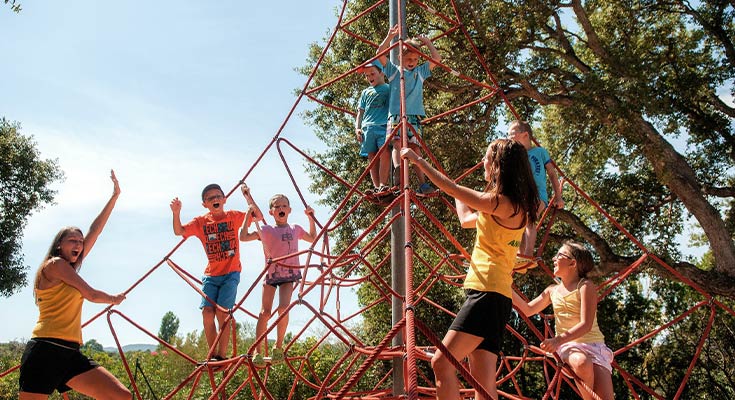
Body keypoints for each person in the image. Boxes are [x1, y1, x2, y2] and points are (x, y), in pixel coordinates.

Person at [401, 139, 540, 400]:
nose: (482, 163)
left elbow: (451, 187)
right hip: (498, 297)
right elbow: (466, 218)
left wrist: (419, 162)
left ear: (498, 165)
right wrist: (455, 190)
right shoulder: (513, 207)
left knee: (441, 362)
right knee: (483, 381)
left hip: (487, 294)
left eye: (487, 158)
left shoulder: (500, 203)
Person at [19, 170, 131, 400]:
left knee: (121, 396)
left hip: (71, 353)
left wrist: (115, 196)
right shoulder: (55, 265)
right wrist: (113, 298)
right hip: (45, 350)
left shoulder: (69, 267)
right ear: (59, 244)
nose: (79, 245)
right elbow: (89, 294)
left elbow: (95, 231)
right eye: (72, 240)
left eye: (80, 242)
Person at [512, 241, 614, 400]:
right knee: (581, 362)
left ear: (573, 263)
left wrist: (557, 340)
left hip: (595, 347)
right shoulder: (552, 291)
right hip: (568, 346)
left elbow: (586, 324)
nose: (554, 258)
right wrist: (503, 285)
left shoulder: (585, 286)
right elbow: (528, 309)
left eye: (559, 255)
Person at [170, 183, 259, 362]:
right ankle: (213, 354)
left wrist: (248, 196)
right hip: (211, 276)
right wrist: (176, 212)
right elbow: (178, 231)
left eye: (218, 196)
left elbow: (257, 216)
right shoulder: (201, 222)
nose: (216, 200)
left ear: (224, 199)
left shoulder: (234, 216)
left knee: (222, 313)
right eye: (211, 198)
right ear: (205, 204)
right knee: (207, 313)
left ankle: (222, 354)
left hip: (231, 273)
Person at [240, 194, 317, 367]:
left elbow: (312, 238)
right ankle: (258, 351)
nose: (281, 209)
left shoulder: (295, 229)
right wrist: (247, 217)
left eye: (284, 206)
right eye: (277, 207)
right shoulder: (266, 230)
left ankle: (278, 346)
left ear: (289, 210)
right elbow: (243, 237)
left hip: (289, 275)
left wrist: (311, 218)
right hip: (272, 274)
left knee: (283, 308)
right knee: (265, 313)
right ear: (271, 212)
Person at [377, 24, 441, 195]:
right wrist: (390, 37)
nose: (411, 62)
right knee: (397, 144)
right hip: (397, 114)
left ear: (418, 60)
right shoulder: (394, 72)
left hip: (413, 116)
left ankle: (423, 183)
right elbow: (379, 54)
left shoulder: (420, 72)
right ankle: (399, 171)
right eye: (408, 59)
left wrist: (427, 43)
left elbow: (436, 58)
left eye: (414, 59)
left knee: (415, 148)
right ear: (400, 58)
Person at [507, 120, 564, 257]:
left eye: (511, 134)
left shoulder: (540, 152)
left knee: (529, 219)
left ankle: (528, 254)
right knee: (518, 222)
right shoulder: (515, 154)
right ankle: (520, 255)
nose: (508, 137)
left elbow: (552, 174)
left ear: (525, 135)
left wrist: (558, 196)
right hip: (521, 195)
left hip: (538, 195)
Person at [355, 60, 391, 194]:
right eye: (367, 75)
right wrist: (357, 128)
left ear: (381, 72)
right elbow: (360, 112)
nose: (370, 77)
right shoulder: (365, 92)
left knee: (385, 152)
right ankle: (377, 187)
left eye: (372, 73)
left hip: (383, 126)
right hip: (368, 127)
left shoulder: (388, 88)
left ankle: (383, 184)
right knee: (372, 156)